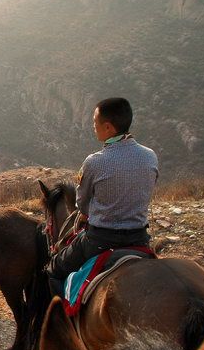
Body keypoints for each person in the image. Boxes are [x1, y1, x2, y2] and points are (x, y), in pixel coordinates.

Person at [47, 98, 159, 292]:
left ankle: (63, 320)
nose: (93, 126)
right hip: (139, 238)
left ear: (108, 128)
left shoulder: (95, 162)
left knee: (54, 270)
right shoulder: (150, 156)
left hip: (100, 240)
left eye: (95, 122)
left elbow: (81, 204)